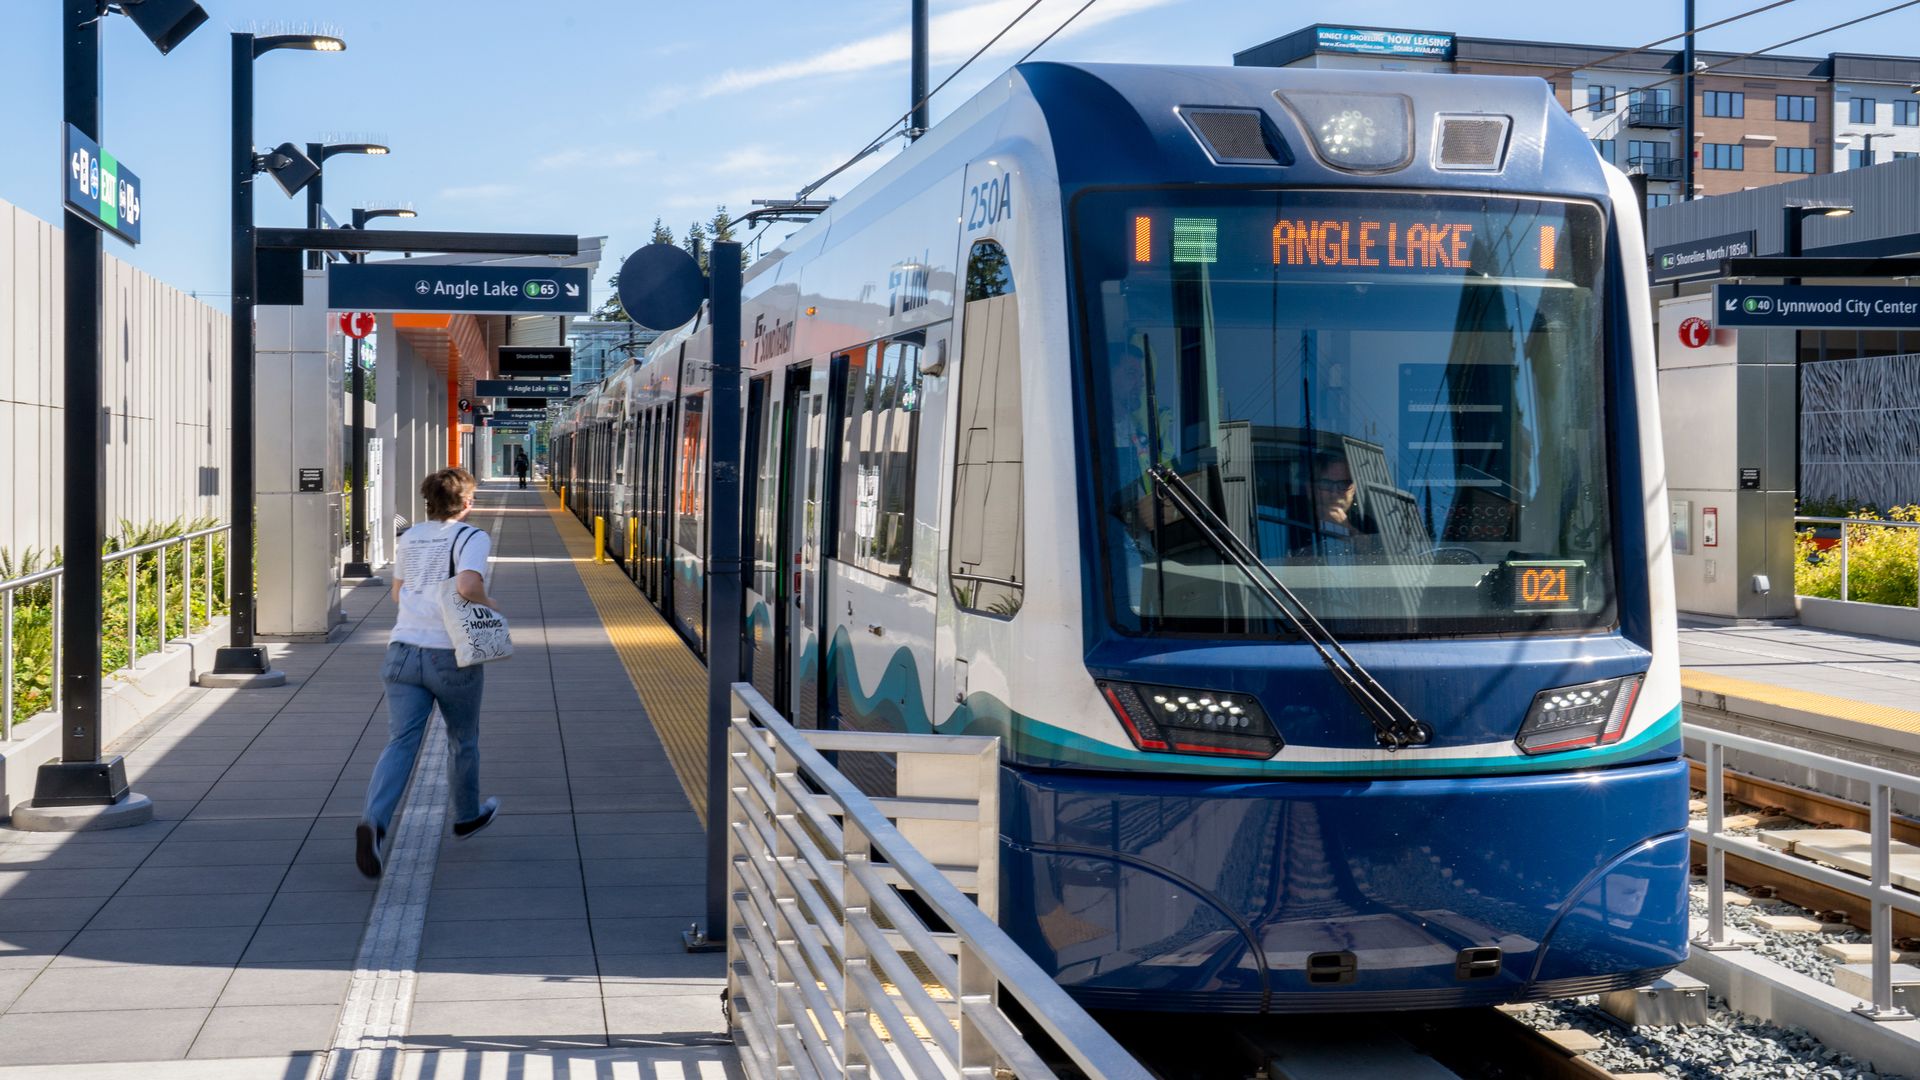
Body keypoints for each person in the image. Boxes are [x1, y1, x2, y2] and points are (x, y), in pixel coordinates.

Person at [357, 467, 501, 878]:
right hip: (450, 654)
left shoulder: (412, 536)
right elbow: (468, 586)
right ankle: (468, 816)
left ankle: (375, 822)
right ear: (468, 502)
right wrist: (491, 604)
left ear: (428, 502)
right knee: (463, 738)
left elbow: (399, 593)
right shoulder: (472, 536)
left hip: (402, 652)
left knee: (401, 742)